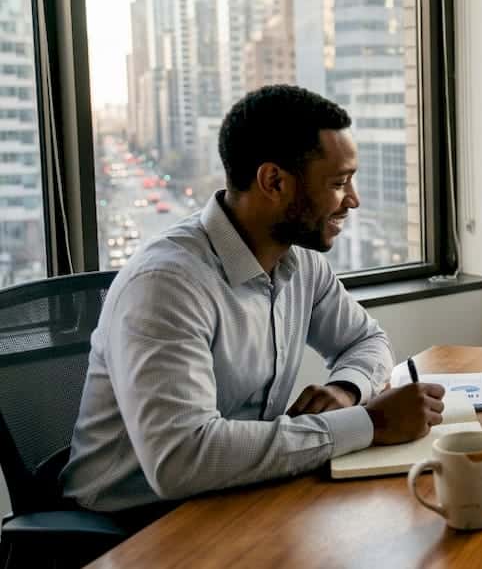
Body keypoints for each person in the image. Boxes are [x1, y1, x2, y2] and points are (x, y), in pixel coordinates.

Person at [62, 85, 445, 527]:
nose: (353, 200)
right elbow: (181, 460)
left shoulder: (297, 261)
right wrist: (369, 424)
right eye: (339, 183)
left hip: (239, 494)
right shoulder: (166, 285)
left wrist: (348, 390)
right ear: (274, 182)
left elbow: (366, 340)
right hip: (130, 525)